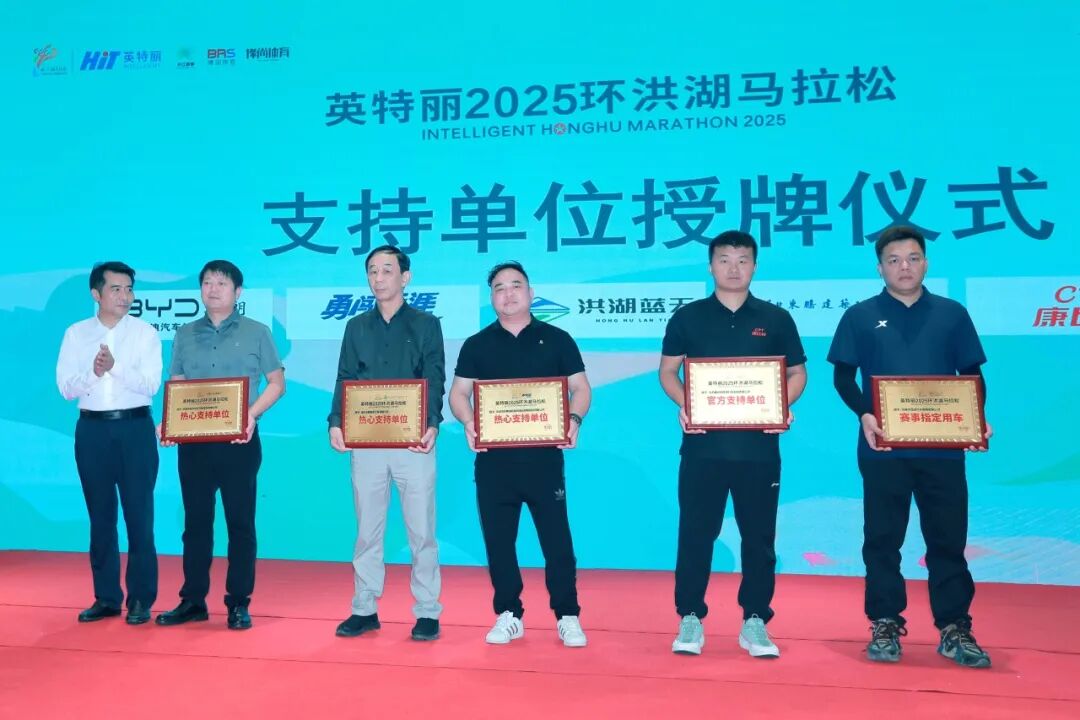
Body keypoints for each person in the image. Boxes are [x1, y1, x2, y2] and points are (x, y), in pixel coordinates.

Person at [827, 225, 993, 668]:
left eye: (913, 258)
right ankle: (885, 622)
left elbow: (972, 376)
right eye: (894, 260)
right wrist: (864, 413)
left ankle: (954, 626)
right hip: (883, 449)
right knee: (882, 539)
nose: (905, 267)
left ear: (926, 263)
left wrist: (975, 420)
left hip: (942, 449)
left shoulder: (952, 314)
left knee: (948, 540)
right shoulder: (860, 316)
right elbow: (842, 377)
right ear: (880, 267)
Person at [659, 230, 807, 658]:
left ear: (755, 266)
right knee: (695, 535)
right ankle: (690, 617)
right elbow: (668, 372)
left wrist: (781, 405)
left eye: (743, 260)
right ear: (711, 266)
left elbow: (797, 373)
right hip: (702, 448)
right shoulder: (688, 318)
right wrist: (687, 405)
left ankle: (755, 620)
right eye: (724, 259)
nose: (734, 268)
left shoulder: (776, 319)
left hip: (759, 450)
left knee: (759, 538)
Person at [449, 262, 591, 647]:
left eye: (516, 285)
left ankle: (567, 614)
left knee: (557, 543)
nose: (508, 293)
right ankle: (509, 613)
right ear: (491, 298)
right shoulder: (477, 344)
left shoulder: (557, 339)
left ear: (530, 293)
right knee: (498, 543)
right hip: (494, 462)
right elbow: (458, 394)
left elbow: (580, 388)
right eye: (499, 288)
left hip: (544, 461)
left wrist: (574, 419)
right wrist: (469, 421)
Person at [155, 260, 285, 631]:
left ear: (237, 291)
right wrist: (170, 421)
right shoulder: (184, 334)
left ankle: (238, 603)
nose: (213, 289)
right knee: (195, 524)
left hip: (239, 442)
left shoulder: (257, 332)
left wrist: (251, 416)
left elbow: (277, 383)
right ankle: (193, 600)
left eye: (222, 283)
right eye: (207, 282)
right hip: (194, 445)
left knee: (240, 524)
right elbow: (178, 383)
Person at [328, 245, 445, 642]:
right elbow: (345, 377)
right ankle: (364, 608)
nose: (378, 278)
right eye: (372, 271)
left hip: (414, 442)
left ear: (405, 277)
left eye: (387, 270)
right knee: (367, 530)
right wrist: (336, 421)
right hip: (368, 442)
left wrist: (431, 424)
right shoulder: (356, 327)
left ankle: (427, 611)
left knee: (421, 531)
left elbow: (435, 377)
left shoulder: (426, 324)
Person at [56, 261, 162, 625]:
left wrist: (114, 367)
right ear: (96, 294)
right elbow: (66, 388)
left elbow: (150, 385)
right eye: (116, 289)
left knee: (139, 516)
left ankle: (141, 599)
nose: (125, 296)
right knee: (100, 517)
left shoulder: (145, 333)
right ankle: (106, 597)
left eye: (129, 289)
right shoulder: (76, 334)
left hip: (135, 429)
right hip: (92, 432)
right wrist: (95, 372)